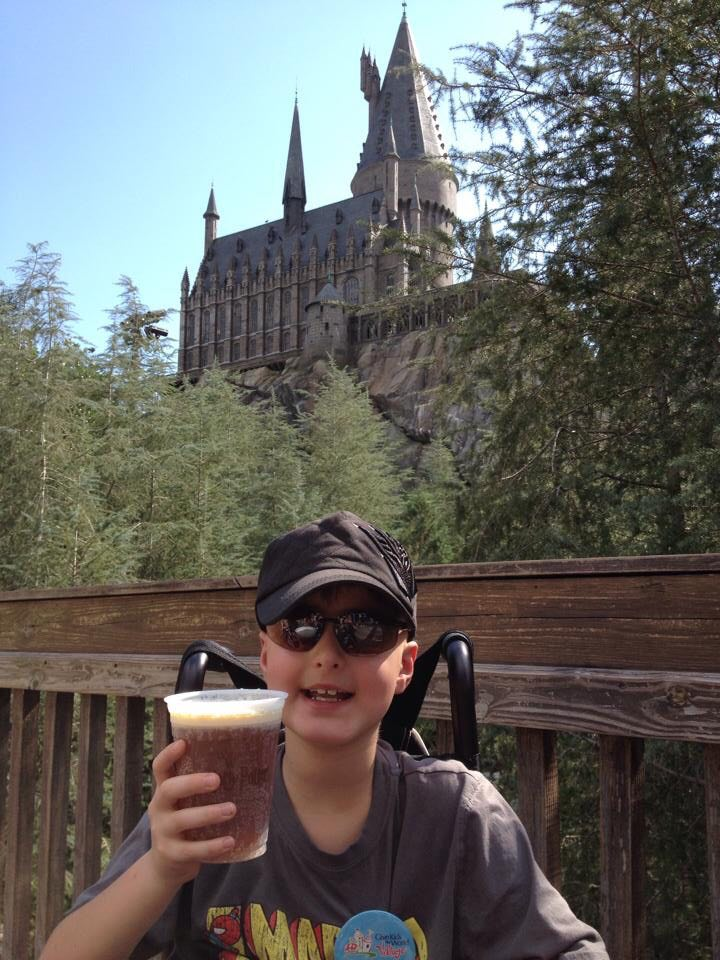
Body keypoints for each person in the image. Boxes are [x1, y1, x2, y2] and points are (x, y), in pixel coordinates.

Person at [41, 511, 609, 960]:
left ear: (405, 665)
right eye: (301, 626)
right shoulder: (208, 806)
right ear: (266, 656)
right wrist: (161, 869)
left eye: (365, 627)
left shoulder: (458, 816)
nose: (328, 653)